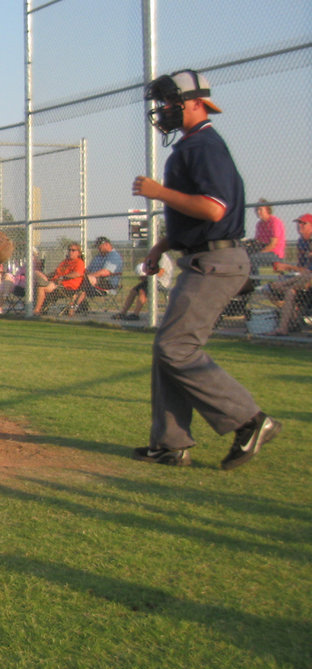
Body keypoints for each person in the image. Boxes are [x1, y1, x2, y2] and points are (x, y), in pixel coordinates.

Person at [130, 69, 280, 469]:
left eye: (170, 103)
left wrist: (159, 192)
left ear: (196, 103)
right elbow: (196, 216)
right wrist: (162, 244)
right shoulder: (193, 146)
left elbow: (214, 209)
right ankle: (170, 443)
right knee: (168, 348)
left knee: (175, 347)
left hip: (217, 261)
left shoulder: (204, 147)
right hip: (203, 257)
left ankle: (250, 420)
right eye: (161, 104)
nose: (163, 111)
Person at [266, 212, 312, 335]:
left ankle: (282, 285)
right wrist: (287, 269)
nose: (300, 226)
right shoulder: (301, 242)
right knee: (276, 290)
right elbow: (302, 268)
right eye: (299, 223)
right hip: (302, 279)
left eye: (304, 223)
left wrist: (287, 266)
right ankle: (287, 326)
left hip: (309, 278)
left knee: (306, 276)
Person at [71, 236, 124, 314]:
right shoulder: (98, 256)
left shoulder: (114, 256)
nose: (98, 248)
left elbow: (106, 272)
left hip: (108, 283)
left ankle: (74, 307)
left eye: (99, 246)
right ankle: (77, 306)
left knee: (87, 280)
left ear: (106, 244)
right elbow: (88, 270)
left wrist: (89, 276)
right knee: (78, 280)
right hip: (91, 283)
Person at [114, 252, 174, 321]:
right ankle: (123, 313)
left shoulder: (162, 257)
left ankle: (135, 314)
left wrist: (148, 277)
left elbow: (160, 273)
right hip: (152, 280)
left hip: (161, 282)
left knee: (142, 291)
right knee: (133, 291)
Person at [32, 244, 85, 315]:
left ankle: (37, 310)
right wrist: (46, 276)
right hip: (55, 283)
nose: (70, 252)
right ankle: (40, 308)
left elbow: (77, 274)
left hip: (66, 287)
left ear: (78, 253)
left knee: (41, 287)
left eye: (73, 250)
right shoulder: (65, 261)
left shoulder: (79, 262)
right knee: (36, 282)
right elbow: (56, 272)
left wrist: (62, 277)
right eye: (69, 250)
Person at [248, 200, 286, 268]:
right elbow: (258, 241)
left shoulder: (274, 222)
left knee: (251, 258)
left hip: (275, 254)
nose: (258, 212)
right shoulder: (259, 224)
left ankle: (255, 278)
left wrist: (261, 252)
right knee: (244, 256)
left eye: (260, 209)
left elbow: (273, 244)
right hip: (263, 250)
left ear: (267, 210)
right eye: (256, 210)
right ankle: (251, 277)